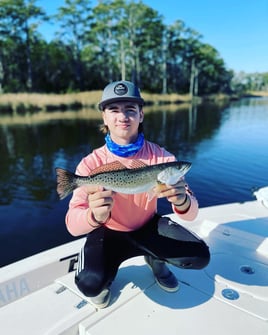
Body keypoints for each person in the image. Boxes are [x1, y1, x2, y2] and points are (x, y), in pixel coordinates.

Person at [65, 80, 210, 308]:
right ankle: (106, 275)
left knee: (200, 256)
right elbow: (72, 225)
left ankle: (155, 259)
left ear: (141, 115)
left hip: (148, 227)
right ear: (104, 117)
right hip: (109, 231)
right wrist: (94, 216)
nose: (123, 117)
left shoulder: (163, 158)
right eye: (114, 110)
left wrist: (182, 199)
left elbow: (191, 214)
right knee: (89, 283)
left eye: (130, 110)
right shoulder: (90, 165)